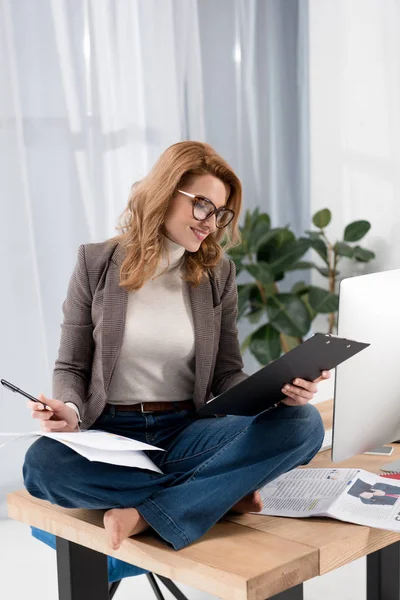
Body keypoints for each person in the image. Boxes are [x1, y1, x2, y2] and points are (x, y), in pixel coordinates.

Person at [23, 141, 328, 552]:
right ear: (166, 192)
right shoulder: (95, 263)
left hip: (187, 430)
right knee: (42, 467)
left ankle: (147, 514)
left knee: (303, 424)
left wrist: (278, 392)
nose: (210, 223)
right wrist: (71, 411)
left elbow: (226, 372)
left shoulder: (218, 273)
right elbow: (71, 365)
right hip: (112, 434)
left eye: (219, 213)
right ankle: (216, 493)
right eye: (202, 205)